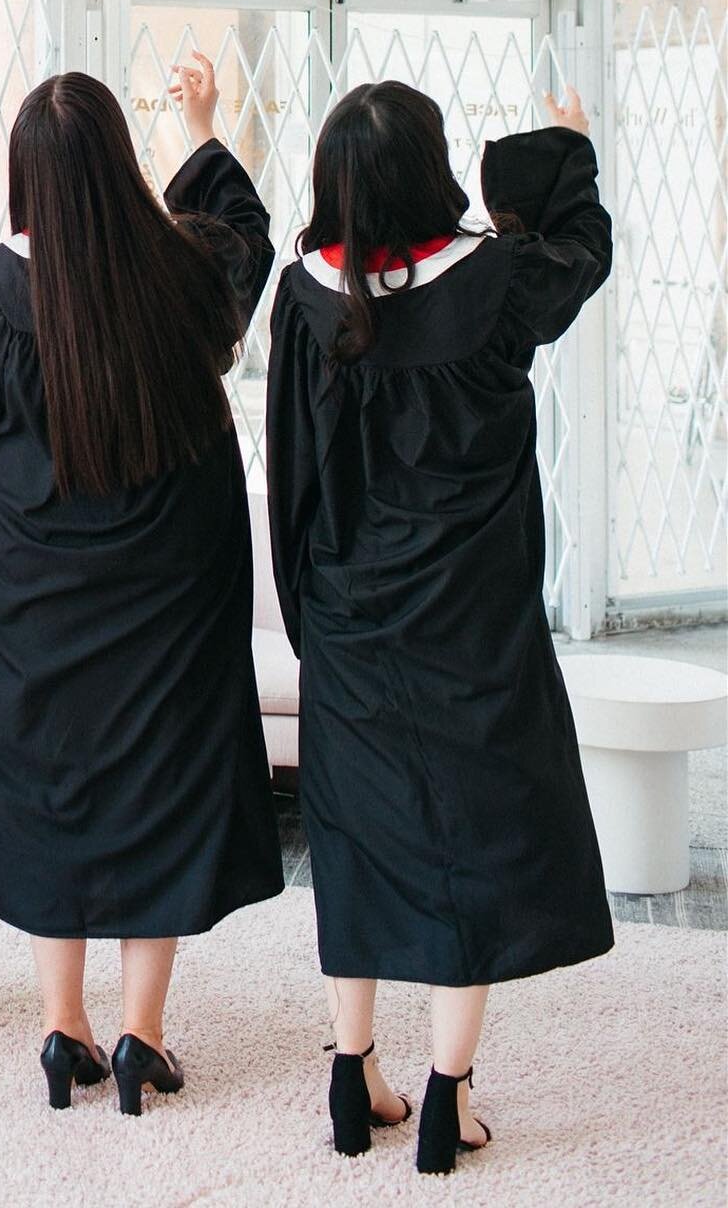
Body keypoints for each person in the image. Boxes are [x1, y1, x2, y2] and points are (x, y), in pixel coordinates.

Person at [265, 80, 613, 1173]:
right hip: (475, 625)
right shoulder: (498, 283)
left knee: (358, 846)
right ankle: (447, 1097)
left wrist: (309, 619)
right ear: (434, 169)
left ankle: (348, 1068)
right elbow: (580, 253)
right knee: (472, 848)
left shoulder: (303, 296)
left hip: (352, 618)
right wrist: (564, 146)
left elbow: (289, 481)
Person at [0, 57, 284, 1115]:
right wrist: (202, 122)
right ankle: (140, 1036)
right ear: (120, 169)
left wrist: (8, 536)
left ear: (23, 177)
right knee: (156, 794)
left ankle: (62, 1029)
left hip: (37, 596)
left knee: (53, 794)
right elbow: (247, 229)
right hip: (165, 595)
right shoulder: (182, 273)